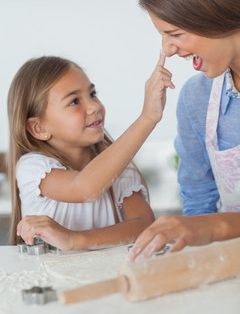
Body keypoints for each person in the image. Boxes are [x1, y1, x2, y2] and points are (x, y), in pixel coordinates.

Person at [127, 0, 240, 262]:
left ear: (220, 14)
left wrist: (212, 226)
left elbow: (205, 223)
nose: (168, 49)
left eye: (175, 34)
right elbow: (198, 200)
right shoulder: (197, 98)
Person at [8, 54, 174, 250]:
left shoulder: (118, 167)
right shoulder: (33, 167)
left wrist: (74, 239)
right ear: (38, 128)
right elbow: (85, 189)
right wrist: (147, 118)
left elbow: (144, 226)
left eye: (92, 94)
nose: (94, 106)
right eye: (74, 101)